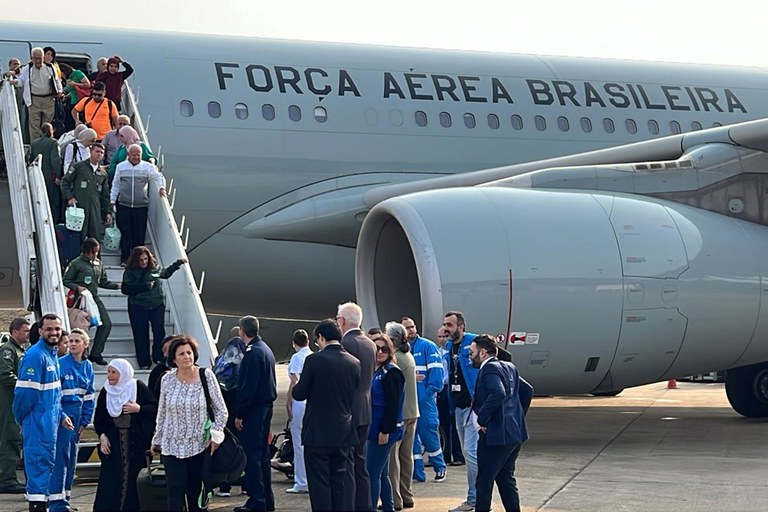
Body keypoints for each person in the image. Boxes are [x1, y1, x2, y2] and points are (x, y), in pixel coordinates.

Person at [152, 336, 228, 511]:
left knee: (195, 493)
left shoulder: (206, 376)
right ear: (173, 359)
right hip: (172, 445)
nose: (187, 356)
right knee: (174, 490)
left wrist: (216, 436)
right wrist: (157, 440)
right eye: (182, 354)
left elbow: (221, 410)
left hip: (199, 445)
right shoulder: (167, 380)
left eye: (189, 353)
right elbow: (162, 413)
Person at [292, 319, 360, 512]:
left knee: (320, 485)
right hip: (344, 431)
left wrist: (296, 383)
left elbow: (300, 393)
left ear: (321, 337)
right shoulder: (354, 362)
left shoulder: (314, 360)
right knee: (338, 483)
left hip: (318, 432)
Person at [13, 313, 73, 512]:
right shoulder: (35, 356)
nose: (54, 332)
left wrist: (61, 416)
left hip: (50, 422)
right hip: (37, 423)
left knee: (46, 469)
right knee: (38, 471)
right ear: (40, 331)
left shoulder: (52, 355)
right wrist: (22, 420)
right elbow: (24, 395)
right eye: (49, 329)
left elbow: (53, 395)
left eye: (57, 329)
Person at [470, 335, 533, 512]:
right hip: (514, 434)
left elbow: (498, 393)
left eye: (472, 352)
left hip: (496, 437)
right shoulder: (509, 367)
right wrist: (517, 417)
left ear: (482, 352)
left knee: (484, 481)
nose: (470, 356)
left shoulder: (489, 369)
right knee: (506, 479)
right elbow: (527, 391)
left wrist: (483, 418)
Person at [93, 358, 157, 511]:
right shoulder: (106, 391)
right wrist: (102, 436)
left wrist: (138, 409)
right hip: (114, 445)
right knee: (111, 481)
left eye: (114, 372)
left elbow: (154, 408)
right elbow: (100, 419)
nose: (110, 375)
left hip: (135, 444)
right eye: (109, 372)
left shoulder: (137, 387)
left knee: (133, 480)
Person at [49, 328, 95, 512]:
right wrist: (61, 416)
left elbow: (89, 396)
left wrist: (84, 422)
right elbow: (54, 397)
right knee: (60, 458)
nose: (73, 344)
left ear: (85, 344)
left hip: (77, 418)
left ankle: (65, 497)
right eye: (71, 341)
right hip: (63, 416)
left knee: (71, 459)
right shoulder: (60, 364)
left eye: (77, 341)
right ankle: (56, 502)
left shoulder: (88, 366)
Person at [336, 301, 377, 512]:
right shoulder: (369, 343)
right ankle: (365, 505)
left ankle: (349, 506)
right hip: (365, 407)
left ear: (342, 321)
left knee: (348, 464)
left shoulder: (346, 343)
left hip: (349, 410)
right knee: (360, 462)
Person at [234, 316, 277, 512]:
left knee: (252, 457)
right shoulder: (265, 349)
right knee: (262, 456)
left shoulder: (252, 353)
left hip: (254, 411)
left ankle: (257, 501)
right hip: (265, 408)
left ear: (242, 331)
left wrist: (240, 412)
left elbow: (247, 387)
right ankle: (266, 500)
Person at [120, 245, 186, 368]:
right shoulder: (130, 272)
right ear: (136, 261)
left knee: (159, 331)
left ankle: (158, 357)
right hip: (138, 306)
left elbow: (165, 273)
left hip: (157, 305)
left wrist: (178, 263)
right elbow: (125, 289)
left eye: (145, 259)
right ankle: (144, 362)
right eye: (140, 260)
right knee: (141, 334)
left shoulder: (154, 268)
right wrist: (144, 287)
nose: (143, 262)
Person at [402, 317, 447, 483]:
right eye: (407, 328)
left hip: (424, 401)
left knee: (429, 434)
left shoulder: (427, 346)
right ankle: (417, 473)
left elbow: (436, 377)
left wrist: (425, 394)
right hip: (409, 401)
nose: (411, 330)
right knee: (411, 440)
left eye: (412, 326)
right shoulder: (403, 350)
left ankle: (439, 467)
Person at [62, 238, 119, 365]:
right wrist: (77, 287)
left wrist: (117, 286)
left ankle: (96, 353)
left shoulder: (98, 263)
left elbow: (103, 281)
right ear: (86, 251)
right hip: (80, 299)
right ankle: (82, 354)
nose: (95, 255)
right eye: (93, 252)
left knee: (106, 324)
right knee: (81, 327)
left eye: (97, 252)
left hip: (93, 298)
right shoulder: (76, 263)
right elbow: (66, 280)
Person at [445, 311, 480, 512]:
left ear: (461, 325)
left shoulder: (474, 342)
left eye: (450, 325)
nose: (447, 329)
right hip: (457, 406)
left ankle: (474, 499)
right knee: (469, 454)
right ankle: (477, 496)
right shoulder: (449, 347)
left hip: (472, 406)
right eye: (445, 325)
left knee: (471, 451)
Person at [367, 333, 405, 512]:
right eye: (376, 348)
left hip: (383, 430)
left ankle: (371, 507)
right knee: (381, 472)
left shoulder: (392, 373)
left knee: (371, 473)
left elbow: (393, 405)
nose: (380, 352)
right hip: (375, 427)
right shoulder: (377, 371)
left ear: (390, 351)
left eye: (384, 349)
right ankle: (388, 507)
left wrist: (385, 430)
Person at [110, 145, 167, 263]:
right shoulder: (121, 167)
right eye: (134, 154)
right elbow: (116, 184)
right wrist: (112, 200)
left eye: (138, 155)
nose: (136, 157)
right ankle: (125, 259)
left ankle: (136, 261)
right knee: (125, 233)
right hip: (124, 205)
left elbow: (158, 176)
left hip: (140, 206)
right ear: (128, 154)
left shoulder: (147, 167)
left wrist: (162, 188)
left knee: (139, 234)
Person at [386, 322, 418, 510]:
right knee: (406, 456)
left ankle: (395, 499)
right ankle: (407, 495)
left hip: (401, 413)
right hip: (412, 411)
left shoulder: (396, 358)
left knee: (393, 458)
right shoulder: (408, 355)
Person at [213, 327, 246, 498]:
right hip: (240, 412)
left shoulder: (221, 361)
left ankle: (224, 485)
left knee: (226, 449)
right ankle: (245, 484)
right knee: (243, 448)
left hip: (224, 412)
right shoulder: (245, 361)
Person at [60, 142, 112, 242]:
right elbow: (64, 182)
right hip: (79, 207)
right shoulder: (79, 167)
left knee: (94, 237)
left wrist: (107, 212)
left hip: (95, 210)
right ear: (91, 151)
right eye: (97, 151)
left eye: (101, 153)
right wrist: (69, 197)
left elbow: (105, 195)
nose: (99, 154)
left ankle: (95, 257)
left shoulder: (103, 173)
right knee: (77, 236)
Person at [0, 317, 29, 494]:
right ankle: (6, 479)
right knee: (10, 439)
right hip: (8, 401)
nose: (28, 334)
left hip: (16, 402)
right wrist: (25, 385)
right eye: (25, 331)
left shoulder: (21, 351)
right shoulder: (8, 351)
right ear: (15, 331)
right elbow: (5, 375)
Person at [15, 47, 63, 141]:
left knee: (47, 124)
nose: (38, 61)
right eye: (35, 58)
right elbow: (21, 81)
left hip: (49, 99)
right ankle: (35, 145)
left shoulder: (50, 67)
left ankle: (45, 143)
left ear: (43, 57)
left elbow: (57, 81)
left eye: (40, 58)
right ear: (32, 58)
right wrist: (15, 82)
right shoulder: (27, 68)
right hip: (34, 100)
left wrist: (60, 91)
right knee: (34, 125)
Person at [285, 329, 312, 494]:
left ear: (294, 344)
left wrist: (289, 402)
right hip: (313, 401)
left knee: (298, 442)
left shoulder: (296, 357)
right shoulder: (313, 356)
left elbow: (294, 382)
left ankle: (301, 481)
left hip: (300, 402)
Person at [435, 326, 465, 466]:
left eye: (445, 337)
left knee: (454, 423)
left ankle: (458, 455)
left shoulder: (455, 352)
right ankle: (445, 455)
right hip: (441, 389)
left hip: (451, 388)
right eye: (440, 337)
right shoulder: (437, 352)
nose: (442, 339)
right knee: (442, 423)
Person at [28, 122, 63, 224]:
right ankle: (53, 222)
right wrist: (58, 176)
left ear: (40, 131)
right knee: (53, 200)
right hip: (50, 176)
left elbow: (31, 159)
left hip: (38, 173)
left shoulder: (34, 143)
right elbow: (55, 161)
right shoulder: (54, 143)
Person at [59, 63, 90, 133]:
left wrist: (75, 84)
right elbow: (72, 90)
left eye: (62, 74)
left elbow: (88, 84)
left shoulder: (77, 73)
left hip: (80, 101)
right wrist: (65, 97)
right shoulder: (68, 78)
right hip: (72, 102)